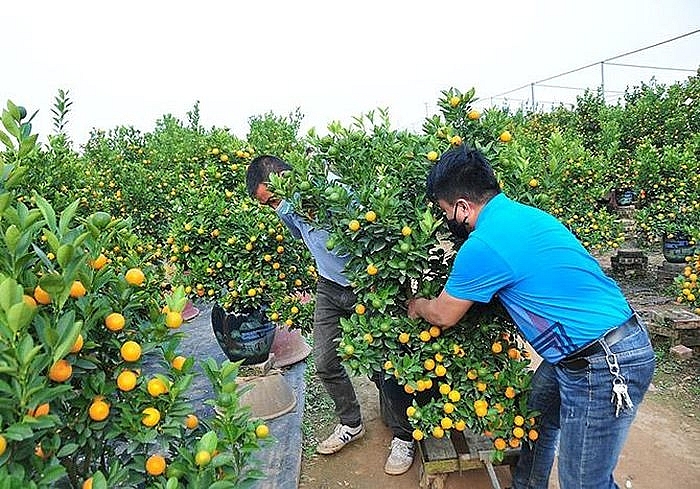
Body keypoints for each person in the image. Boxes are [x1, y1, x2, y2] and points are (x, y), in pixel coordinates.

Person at [407, 145, 655, 489]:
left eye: (445, 211)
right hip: (593, 349)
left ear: (462, 207)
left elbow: (444, 314)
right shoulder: (529, 216)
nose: (447, 219)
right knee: (539, 413)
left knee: (585, 481)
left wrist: (417, 305)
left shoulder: (483, 244)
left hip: (602, 364)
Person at [246, 155, 416, 475]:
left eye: (273, 201)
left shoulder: (335, 194)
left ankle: (404, 435)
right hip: (329, 286)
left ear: (284, 180)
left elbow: (371, 234)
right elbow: (300, 234)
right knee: (324, 360)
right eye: (268, 205)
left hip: (366, 287)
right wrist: (287, 211)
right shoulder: (289, 207)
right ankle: (351, 423)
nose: (274, 208)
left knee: (385, 365)